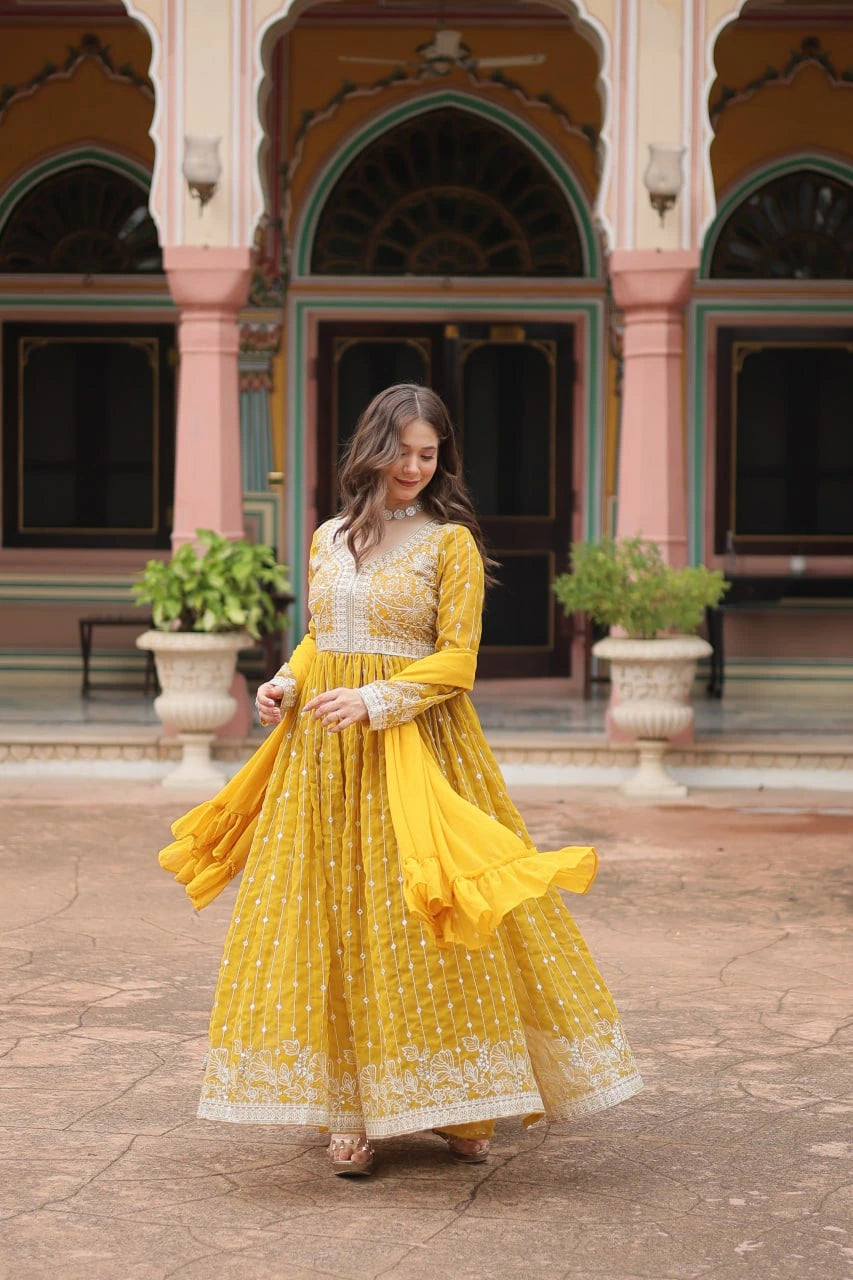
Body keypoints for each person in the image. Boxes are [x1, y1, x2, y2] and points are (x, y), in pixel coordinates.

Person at [158, 383, 642, 1176]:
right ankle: (350, 1109)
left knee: (426, 911)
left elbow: (457, 660)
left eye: (429, 454)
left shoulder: (448, 543)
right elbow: (321, 636)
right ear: (371, 448)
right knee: (334, 915)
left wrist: (376, 700)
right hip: (324, 756)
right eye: (403, 451)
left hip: (415, 746)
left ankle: (458, 1103)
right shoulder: (327, 538)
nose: (415, 467)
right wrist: (285, 682)